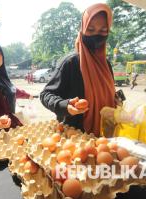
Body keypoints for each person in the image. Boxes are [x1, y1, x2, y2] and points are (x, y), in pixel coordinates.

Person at [40, 3, 118, 137]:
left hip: (104, 135)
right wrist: (65, 105)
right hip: (75, 138)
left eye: (103, 31)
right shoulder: (71, 62)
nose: (96, 36)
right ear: (82, 30)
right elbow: (46, 94)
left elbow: (107, 94)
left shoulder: (106, 65)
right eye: (91, 30)